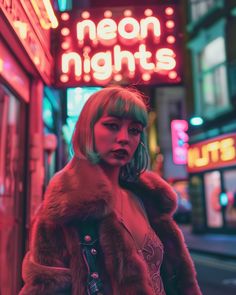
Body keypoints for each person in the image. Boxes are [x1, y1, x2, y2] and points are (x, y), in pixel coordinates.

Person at [19, 86, 202, 295]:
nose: (124, 137)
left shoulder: (147, 200)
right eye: (112, 126)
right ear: (88, 129)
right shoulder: (63, 211)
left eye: (134, 130)